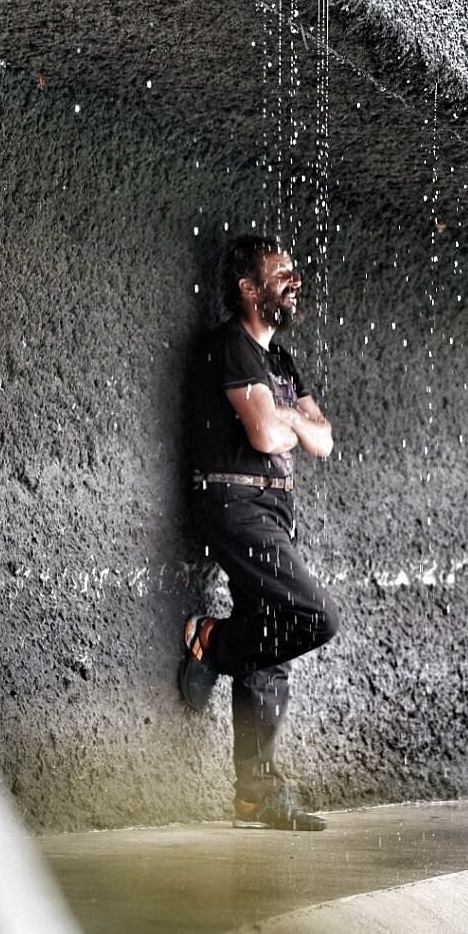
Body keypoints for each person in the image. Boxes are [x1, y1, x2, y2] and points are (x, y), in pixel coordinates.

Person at [179, 234, 340, 831]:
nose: (294, 281)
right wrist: (290, 422)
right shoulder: (231, 347)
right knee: (312, 616)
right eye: (281, 274)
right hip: (233, 501)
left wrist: (290, 416)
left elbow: (321, 440)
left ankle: (255, 792)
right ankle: (211, 641)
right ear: (249, 288)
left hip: (274, 509)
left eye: (294, 272)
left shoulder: (281, 364)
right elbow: (268, 438)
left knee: (272, 644)